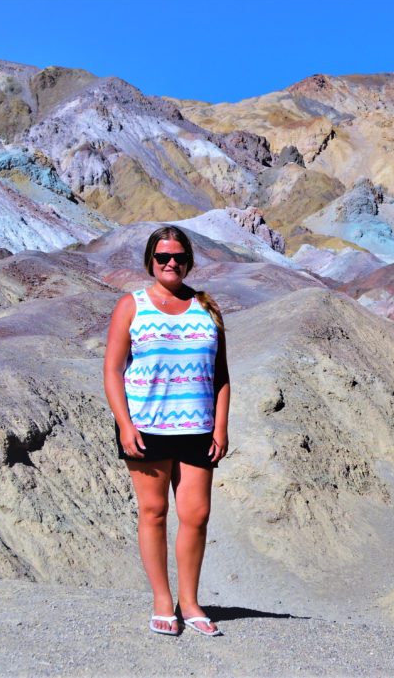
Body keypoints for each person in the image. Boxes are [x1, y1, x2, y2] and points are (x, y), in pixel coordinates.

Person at [103, 226, 230, 637]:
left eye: (177, 256)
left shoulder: (207, 308)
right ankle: (162, 600)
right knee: (153, 513)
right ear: (150, 262)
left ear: (189, 260)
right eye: (162, 257)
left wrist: (221, 427)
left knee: (196, 515)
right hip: (147, 427)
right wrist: (124, 424)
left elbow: (221, 375)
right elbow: (113, 370)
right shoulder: (132, 306)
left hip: (197, 429)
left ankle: (190, 602)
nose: (170, 263)